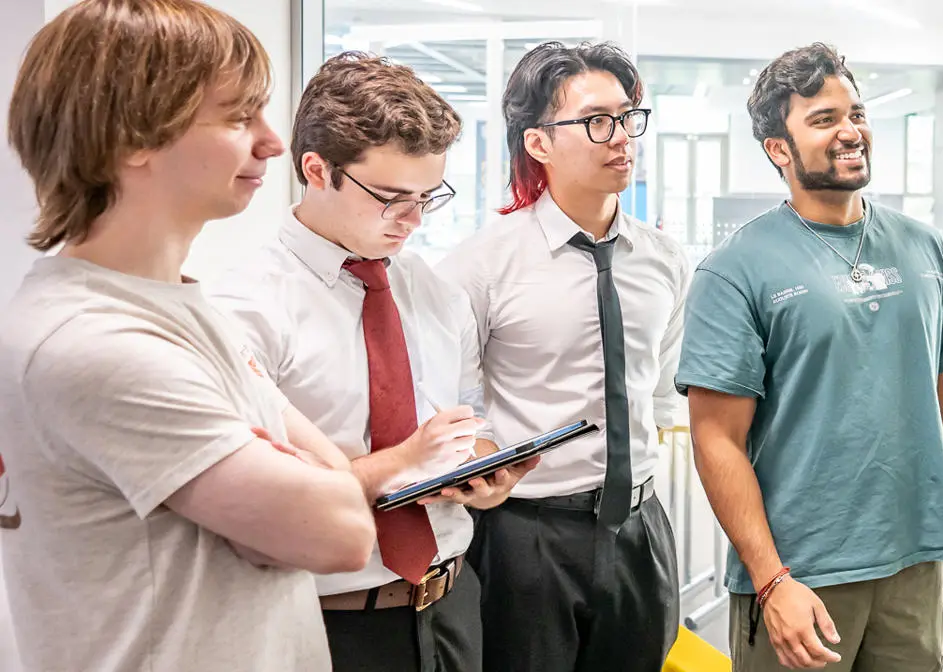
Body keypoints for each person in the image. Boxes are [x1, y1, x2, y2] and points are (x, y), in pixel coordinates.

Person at [0, 1, 377, 670]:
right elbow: (341, 531)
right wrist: (300, 500)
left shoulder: (176, 303)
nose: (273, 141)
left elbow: (337, 484)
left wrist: (297, 503)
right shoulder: (93, 344)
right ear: (130, 137)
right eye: (237, 117)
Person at [676, 42, 943, 671]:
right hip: (799, 572)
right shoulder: (735, 271)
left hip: (914, 558)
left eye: (855, 113)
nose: (850, 131)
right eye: (823, 119)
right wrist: (771, 580)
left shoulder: (924, 248)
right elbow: (716, 440)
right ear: (778, 150)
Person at [206, 52, 524, 672]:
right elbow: (256, 504)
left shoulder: (433, 291)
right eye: (391, 197)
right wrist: (404, 463)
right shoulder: (244, 306)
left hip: (452, 604)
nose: (413, 220)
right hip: (328, 624)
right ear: (317, 169)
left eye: (429, 196)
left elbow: (468, 421)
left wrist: (484, 470)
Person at [437, 40, 684, 672]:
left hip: (639, 526)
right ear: (538, 143)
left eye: (629, 117)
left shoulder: (663, 259)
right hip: (527, 536)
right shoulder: (481, 266)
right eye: (596, 121)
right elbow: (453, 406)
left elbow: (657, 396)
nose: (621, 136)